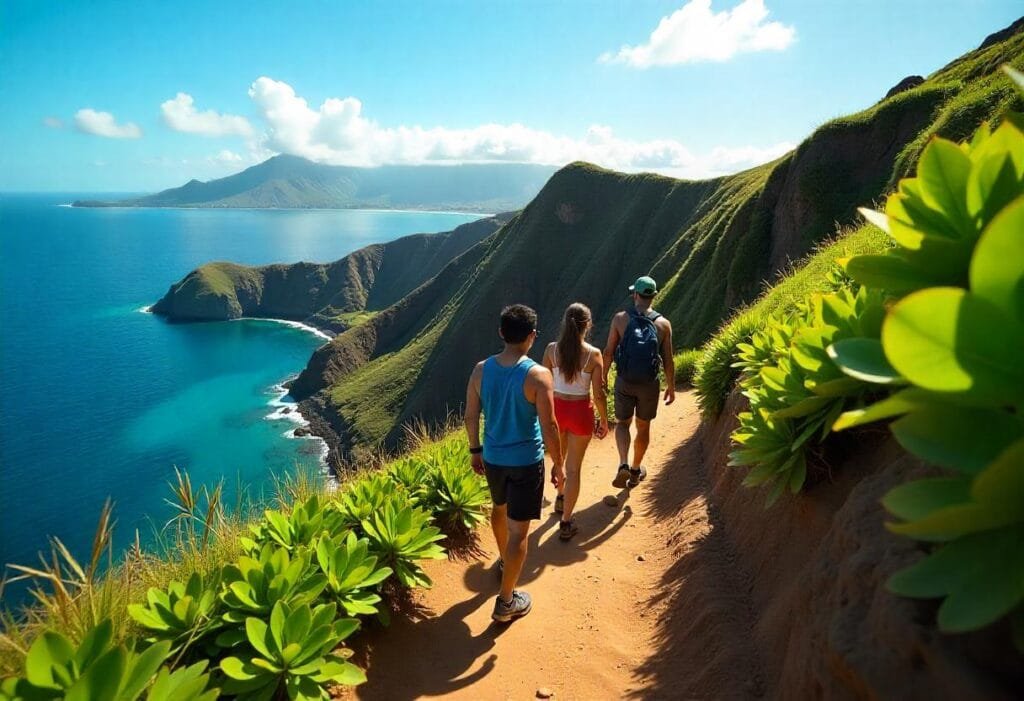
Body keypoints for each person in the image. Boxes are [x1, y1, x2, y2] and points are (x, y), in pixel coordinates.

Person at [465, 304, 565, 623]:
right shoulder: (538, 375)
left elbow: (470, 415)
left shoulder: (481, 370)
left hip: (493, 458)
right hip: (525, 462)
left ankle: (504, 562)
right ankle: (507, 601)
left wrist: (475, 450)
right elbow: (549, 427)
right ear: (532, 337)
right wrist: (560, 465)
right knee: (520, 533)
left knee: (499, 508)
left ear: (501, 333)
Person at [542, 303, 609, 541]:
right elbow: (598, 393)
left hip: (557, 411)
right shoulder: (593, 354)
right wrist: (603, 419)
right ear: (588, 325)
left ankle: (560, 496)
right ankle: (566, 521)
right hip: (581, 411)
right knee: (574, 468)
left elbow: (544, 385)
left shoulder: (551, 351)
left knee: (559, 459)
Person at [603, 275, 675, 489]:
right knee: (643, 427)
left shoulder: (619, 319)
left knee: (623, 423)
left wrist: (603, 377)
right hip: (649, 385)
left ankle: (623, 463)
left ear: (635, 295)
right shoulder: (663, 324)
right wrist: (671, 386)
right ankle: (635, 469)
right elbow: (668, 360)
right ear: (653, 296)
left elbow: (608, 352)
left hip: (625, 381)